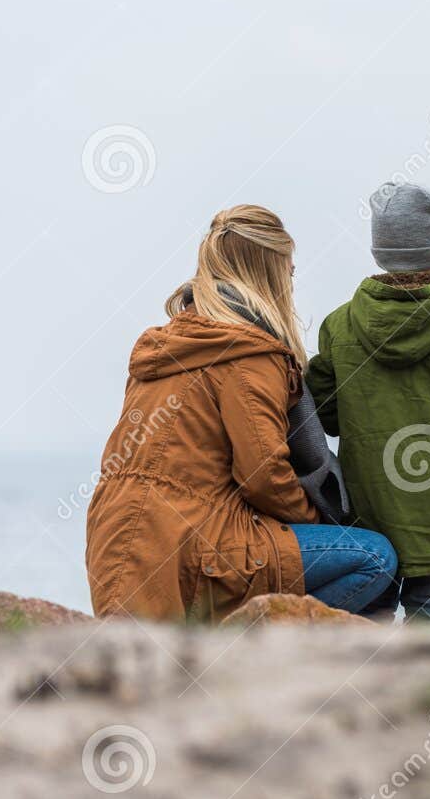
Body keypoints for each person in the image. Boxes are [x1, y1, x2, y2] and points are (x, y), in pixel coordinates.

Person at [85, 206, 397, 621]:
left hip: (116, 544)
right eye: (288, 270)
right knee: (376, 558)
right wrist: (313, 519)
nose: (290, 280)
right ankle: (251, 648)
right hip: (192, 548)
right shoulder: (248, 355)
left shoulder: (167, 345)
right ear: (269, 273)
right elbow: (263, 475)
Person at [306, 183, 430, 622]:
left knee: (372, 605)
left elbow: (325, 413)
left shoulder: (340, 325)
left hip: (370, 499)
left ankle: (371, 686)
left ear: (380, 252)